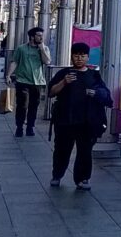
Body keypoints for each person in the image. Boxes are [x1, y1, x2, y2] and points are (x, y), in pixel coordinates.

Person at [46, 42, 112, 190]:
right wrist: (64, 82)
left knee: (85, 152)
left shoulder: (93, 75)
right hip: (65, 120)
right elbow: (50, 92)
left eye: (83, 55)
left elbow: (107, 97)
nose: (79, 58)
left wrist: (95, 93)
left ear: (88, 57)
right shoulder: (64, 73)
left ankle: (82, 179)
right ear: (72, 57)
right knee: (61, 150)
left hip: (87, 122)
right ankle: (57, 175)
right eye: (76, 55)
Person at [7, 27, 50, 137]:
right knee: (22, 105)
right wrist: (8, 75)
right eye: (39, 35)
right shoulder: (21, 49)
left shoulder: (44, 48)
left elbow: (47, 61)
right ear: (32, 37)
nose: (41, 37)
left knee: (34, 106)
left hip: (37, 82)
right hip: (22, 81)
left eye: (42, 35)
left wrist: (41, 49)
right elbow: (15, 62)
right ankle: (19, 127)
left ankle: (30, 127)